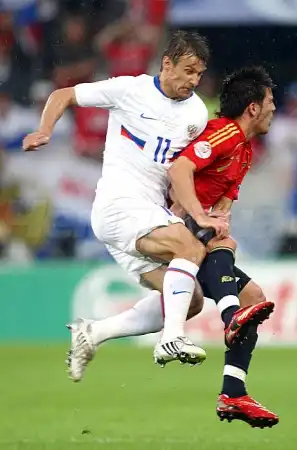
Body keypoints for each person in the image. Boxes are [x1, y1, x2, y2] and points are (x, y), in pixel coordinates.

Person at [68, 67, 279, 428]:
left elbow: (223, 206)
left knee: (245, 297)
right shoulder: (224, 133)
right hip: (158, 221)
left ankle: (233, 392)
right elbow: (180, 169)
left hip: (188, 229)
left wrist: (215, 219)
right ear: (253, 108)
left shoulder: (244, 151)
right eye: (270, 101)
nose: (275, 108)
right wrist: (198, 215)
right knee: (222, 254)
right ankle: (226, 320)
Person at [22, 30, 230, 375]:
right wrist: (45, 130)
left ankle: (94, 333)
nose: (194, 81)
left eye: (199, 74)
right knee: (190, 248)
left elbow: (182, 169)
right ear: (167, 64)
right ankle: (171, 338)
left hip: (147, 214)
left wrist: (183, 206)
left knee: (189, 299)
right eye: (188, 71)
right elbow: (63, 94)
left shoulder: (196, 113)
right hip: (119, 205)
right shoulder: (129, 90)